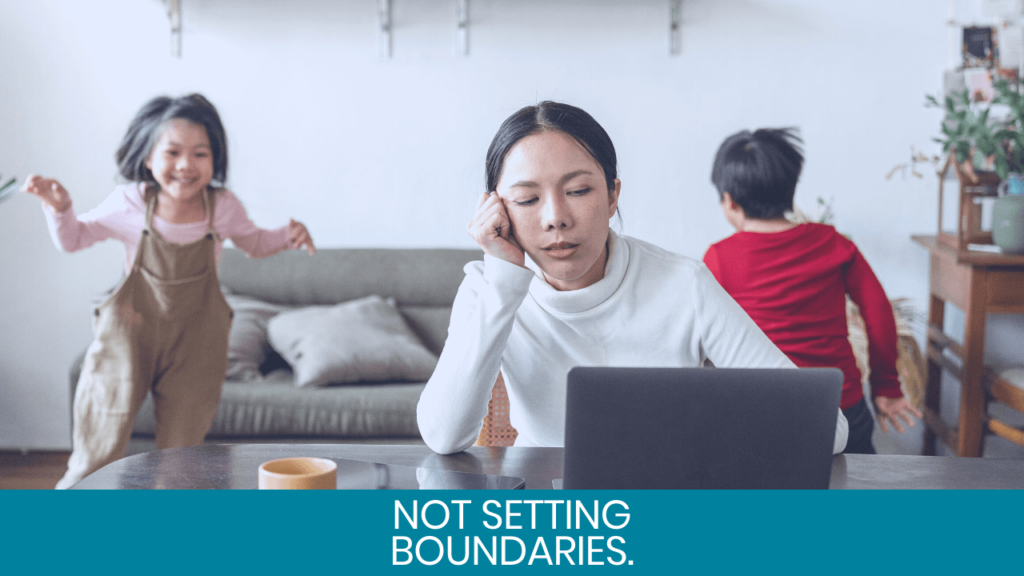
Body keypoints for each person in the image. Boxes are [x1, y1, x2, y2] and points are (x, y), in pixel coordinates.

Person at [417, 102, 848, 455]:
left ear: (612, 196)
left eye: (579, 191)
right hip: (549, 509)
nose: (555, 219)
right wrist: (504, 282)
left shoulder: (684, 284)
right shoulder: (487, 287)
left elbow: (827, 430)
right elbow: (442, 436)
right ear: (497, 211)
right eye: (527, 199)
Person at [23, 94, 316, 488]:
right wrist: (60, 210)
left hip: (196, 345)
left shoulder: (222, 207)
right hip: (127, 338)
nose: (185, 165)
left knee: (180, 463)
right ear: (147, 157)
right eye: (173, 152)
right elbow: (74, 238)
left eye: (200, 153)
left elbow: (255, 243)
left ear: (215, 160)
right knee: (96, 452)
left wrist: (287, 235)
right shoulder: (129, 202)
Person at [702, 127, 922, 455]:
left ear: (729, 202)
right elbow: (877, 311)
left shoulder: (719, 257)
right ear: (790, 189)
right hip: (840, 407)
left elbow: (706, 334)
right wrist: (886, 385)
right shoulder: (834, 244)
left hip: (762, 413)